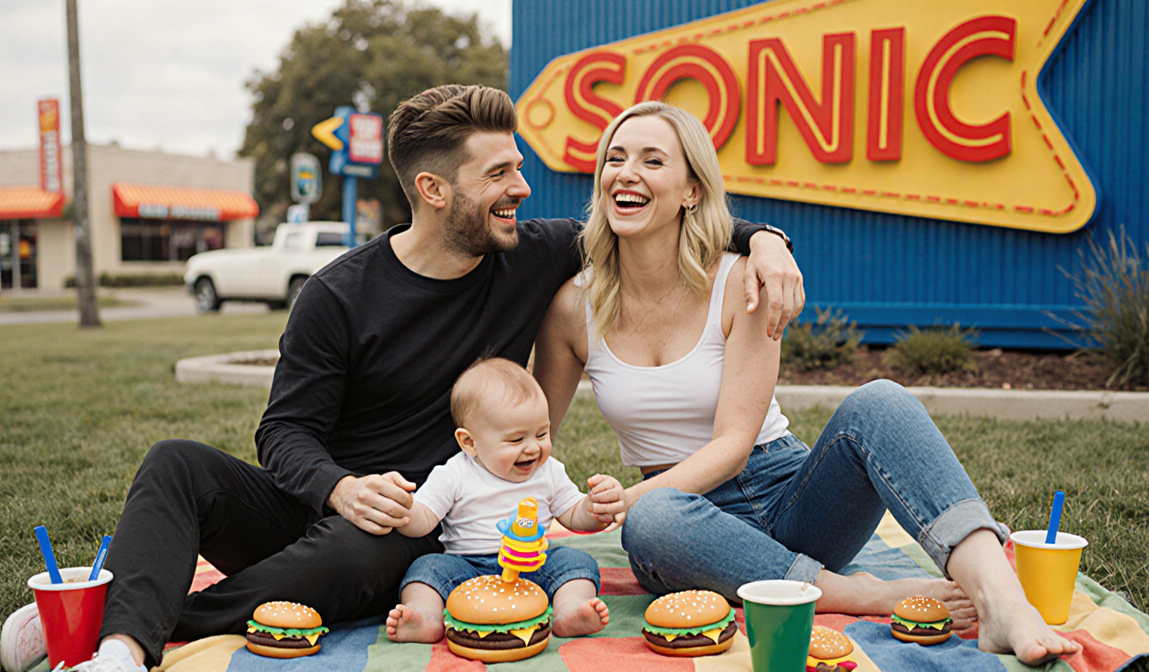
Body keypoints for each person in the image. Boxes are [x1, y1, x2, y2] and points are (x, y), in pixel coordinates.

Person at [0, 85, 801, 672]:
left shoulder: (529, 254)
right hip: (328, 502)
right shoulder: (337, 293)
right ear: (433, 189)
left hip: (412, 521)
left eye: (517, 169)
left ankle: (116, 622)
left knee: (367, 551)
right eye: (499, 175)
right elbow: (282, 433)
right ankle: (118, 645)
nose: (521, 189)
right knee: (177, 461)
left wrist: (767, 239)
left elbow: (653, 210)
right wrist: (337, 487)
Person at [532, 101, 1083, 667]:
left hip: (791, 498)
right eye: (615, 158)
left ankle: (1003, 602)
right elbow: (533, 438)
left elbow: (733, 445)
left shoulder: (744, 278)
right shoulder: (574, 306)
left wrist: (623, 501)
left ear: (691, 190)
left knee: (881, 402)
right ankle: (856, 594)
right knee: (651, 520)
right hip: (687, 533)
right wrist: (557, 512)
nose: (627, 172)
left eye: (652, 160)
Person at [385, 358, 624, 644]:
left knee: (577, 563)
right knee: (425, 570)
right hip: (467, 566)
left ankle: (570, 610)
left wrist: (594, 508)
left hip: (533, 563)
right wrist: (404, 509)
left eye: (542, 433)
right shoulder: (454, 473)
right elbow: (423, 519)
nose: (533, 447)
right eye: (515, 440)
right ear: (470, 443)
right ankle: (424, 616)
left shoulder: (548, 471)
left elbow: (573, 513)